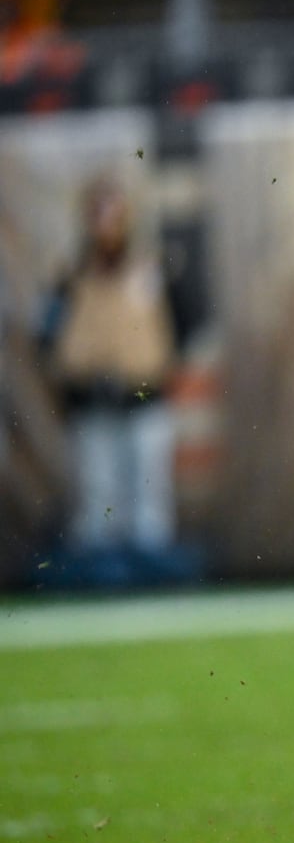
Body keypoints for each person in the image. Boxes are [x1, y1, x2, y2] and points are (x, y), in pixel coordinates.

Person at [37, 173, 182, 585]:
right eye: (97, 212)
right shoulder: (70, 273)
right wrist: (73, 376)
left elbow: (178, 325)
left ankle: (152, 576)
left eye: (113, 212)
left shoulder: (150, 268)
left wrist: (153, 369)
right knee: (98, 494)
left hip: (144, 394)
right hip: (89, 398)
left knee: (148, 494)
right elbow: (47, 333)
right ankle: (98, 579)